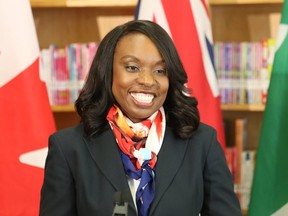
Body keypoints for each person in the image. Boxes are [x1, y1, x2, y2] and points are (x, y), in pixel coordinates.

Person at [40, 20, 242, 216]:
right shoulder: (67, 148)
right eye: (132, 67)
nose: (147, 80)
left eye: (160, 71)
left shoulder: (202, 143)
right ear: (107, 72)